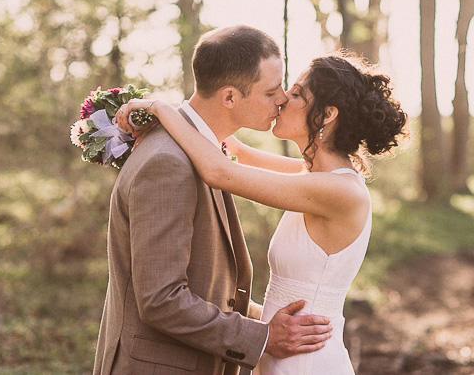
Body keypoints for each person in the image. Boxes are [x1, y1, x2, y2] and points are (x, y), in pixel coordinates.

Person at [116, 51, 408, 374]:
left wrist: (161, 109)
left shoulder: (340, 192)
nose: (282, 99)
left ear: (327, 115)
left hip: (307, 363)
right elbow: (233, 151)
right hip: (281, 352)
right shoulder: (314, 177)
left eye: (296, 93)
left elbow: (219, 171)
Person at [93, 25, 333, 375]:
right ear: (230, 97)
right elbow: (161, 299)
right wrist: (262, 337)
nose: (282, 98)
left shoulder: (201, 150)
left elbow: (208, 284)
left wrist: (267, 320)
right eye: (271, 91)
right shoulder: (168, 162)